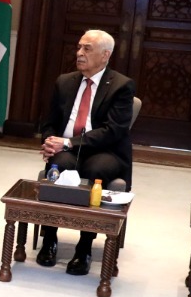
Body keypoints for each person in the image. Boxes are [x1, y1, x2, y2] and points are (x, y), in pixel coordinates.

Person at [36, 29, 136, 277]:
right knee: (60, 165)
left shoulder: (121, 86)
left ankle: (84, 246)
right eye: (79, 47)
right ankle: (49, 238)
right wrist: (49, 141)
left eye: (87, 49)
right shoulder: (65, 81)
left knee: (96, 170)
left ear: (105, 55)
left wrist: (68, 143)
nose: (79, 53)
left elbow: (113, 131)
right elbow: (49, 121)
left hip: (105, 151)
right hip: (66, 148)